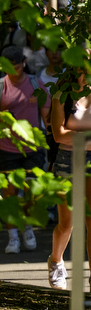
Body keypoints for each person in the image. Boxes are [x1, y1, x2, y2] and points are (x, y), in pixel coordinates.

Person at [46, 61, 91, 292]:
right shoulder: (62, 96)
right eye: (81, 68)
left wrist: (78, 134)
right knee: (66, 223)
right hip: (67, 160)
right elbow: (58, 135)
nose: (86, 73)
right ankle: (56, 262)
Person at [1, 45, 45, 254]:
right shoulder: (1, 86)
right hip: (6, 149)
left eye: (16, 66)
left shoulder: (36, 83)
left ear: (23, 63)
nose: (13, 70)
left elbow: (47, 112)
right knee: (9, 195)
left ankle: (27, 228)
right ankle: (13, 237)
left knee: (30, 193)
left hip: (33, 148)